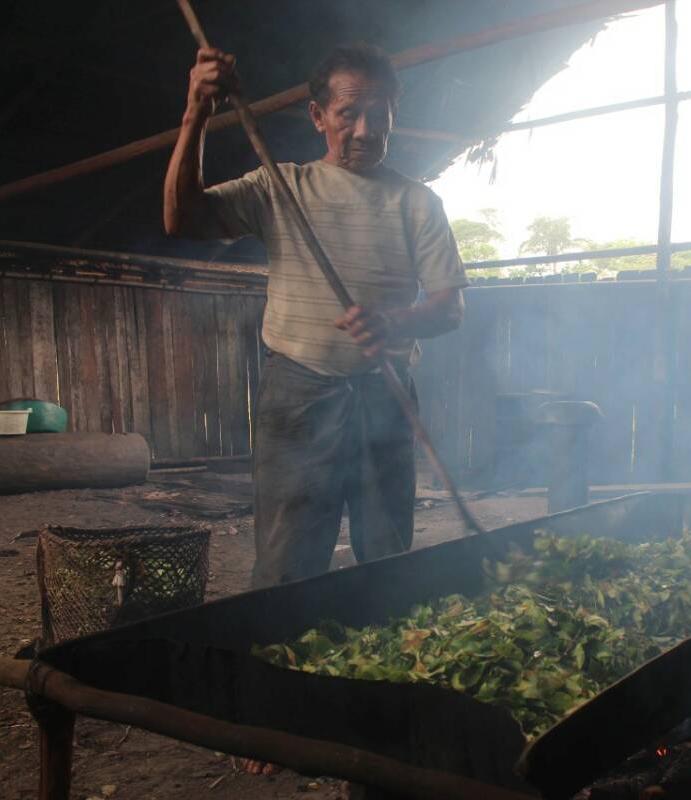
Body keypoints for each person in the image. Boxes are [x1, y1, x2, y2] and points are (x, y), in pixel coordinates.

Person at [164, 43, 467, 591]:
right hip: (299, 398)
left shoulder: (418, 204)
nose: (365, 130)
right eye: (348, 114)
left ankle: (382, 667)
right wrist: (196, 115)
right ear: (318, 116)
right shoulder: (282, 188)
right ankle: (280, 666)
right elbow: (181, 219)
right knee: (287, 566)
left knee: (387, 561)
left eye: (380, 114)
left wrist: (394, 322)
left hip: (386, 395)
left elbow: (450, 307)